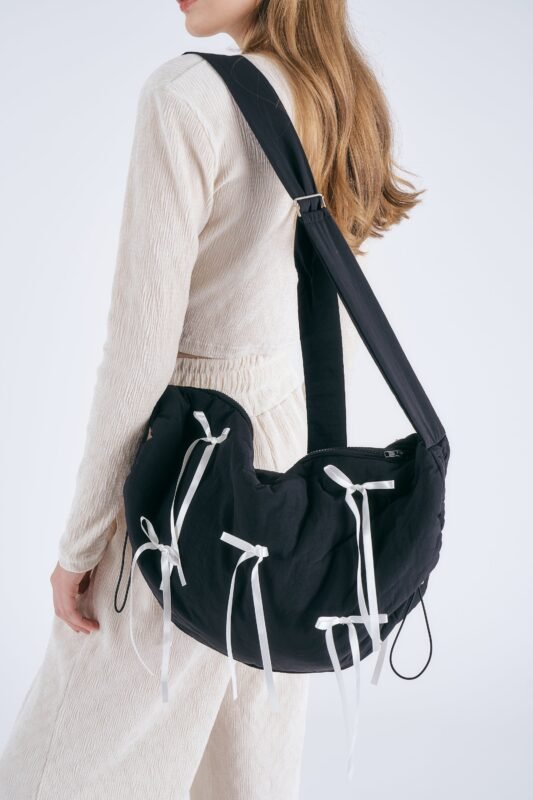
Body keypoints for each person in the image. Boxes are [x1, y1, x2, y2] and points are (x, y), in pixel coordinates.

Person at [0, 1, 424, 797]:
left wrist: (81, 543)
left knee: (61, 773)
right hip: (284, 469)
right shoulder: (336, 95)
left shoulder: (186, 97)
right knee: (244, 774)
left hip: (187, 472)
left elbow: (139, 350)